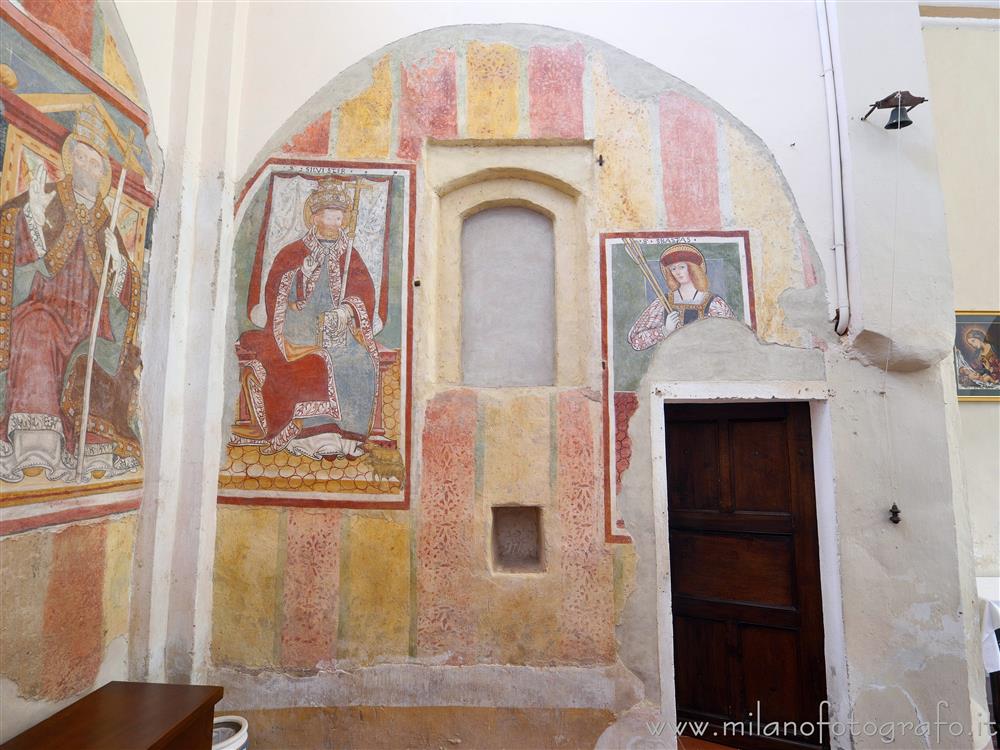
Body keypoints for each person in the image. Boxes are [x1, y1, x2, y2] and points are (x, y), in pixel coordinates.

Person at [0, 106, 139, 482]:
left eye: (95, 163)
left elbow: (128, 289)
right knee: (34, 331)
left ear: (102, 173)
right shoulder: (48, 197)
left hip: (89, 323)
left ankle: (92, 453)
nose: (87, 167)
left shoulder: (105, 223)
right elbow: (13, 228)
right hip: (45, 305)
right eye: (81, 157)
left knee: (106, 359)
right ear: (70, 159)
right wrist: (34, 220)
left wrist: (119, 264)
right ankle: (38, 450)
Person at [232, 178, 380, 459]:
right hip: (299, 330)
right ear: (314, 217)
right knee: (314, 361)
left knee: (359, 360)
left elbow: (364, 292)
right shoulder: (293, 252)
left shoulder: (350, 255)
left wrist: (346, 310)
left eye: (339, 215)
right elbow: (276, 293)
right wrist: (301, 276)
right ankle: (316, 437)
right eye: (328, 213)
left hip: (338, 333)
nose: (335, 220)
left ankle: (347, 439)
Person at [627, 243, 735, 351]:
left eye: (682, 267)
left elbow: (731, 338)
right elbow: (636, 341)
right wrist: (665, 330)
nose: (677, 272)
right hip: (670, 364)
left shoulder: (714, 303)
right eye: (673, 268)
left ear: (693, 269)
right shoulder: (663, 302)